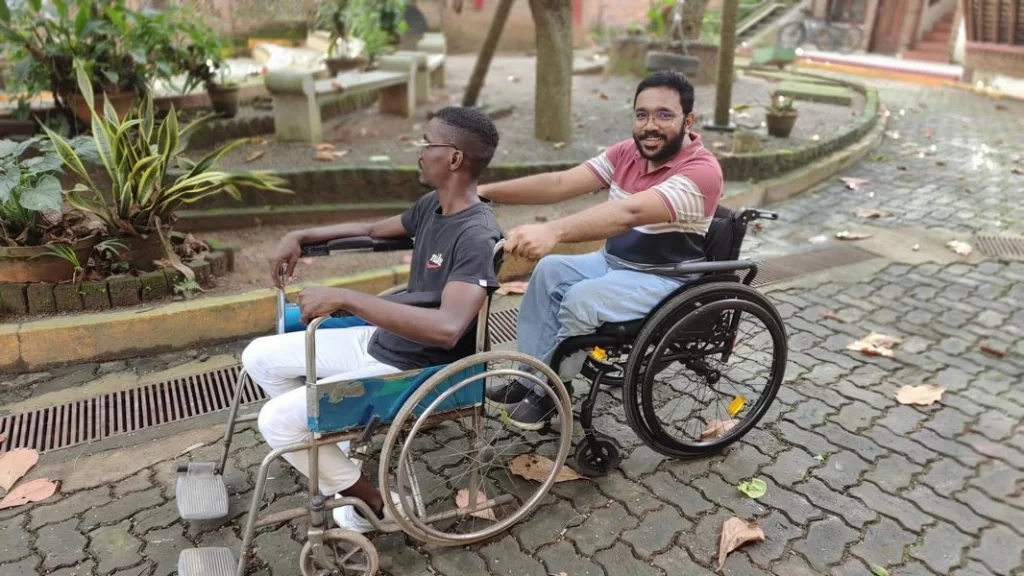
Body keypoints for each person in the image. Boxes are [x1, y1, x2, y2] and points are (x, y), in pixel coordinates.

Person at [241, 106, 503, 532]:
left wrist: (346, 297)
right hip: (385, 338)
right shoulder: (431, 207)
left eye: (427, 143)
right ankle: (331, 457)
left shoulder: (475, 235)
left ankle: (375, 503)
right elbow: (372, 229)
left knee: (274, 420)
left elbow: (446, 329)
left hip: (416, 366)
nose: (419, 152)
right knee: (259, 356)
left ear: (454, 158)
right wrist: (300, 237)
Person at [480, 70, 724, 430]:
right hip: (613, 262)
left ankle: (552, 392)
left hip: (663, 278)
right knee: (548, 271)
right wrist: (484, 192)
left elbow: (629, 213)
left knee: (581, 299)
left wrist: (553, 229)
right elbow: (561, 183)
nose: (649, 125)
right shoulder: (627, 153)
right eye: (641, 115)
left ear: (689, 120)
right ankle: (528, 377)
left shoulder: (702, 172)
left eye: (664, 115)